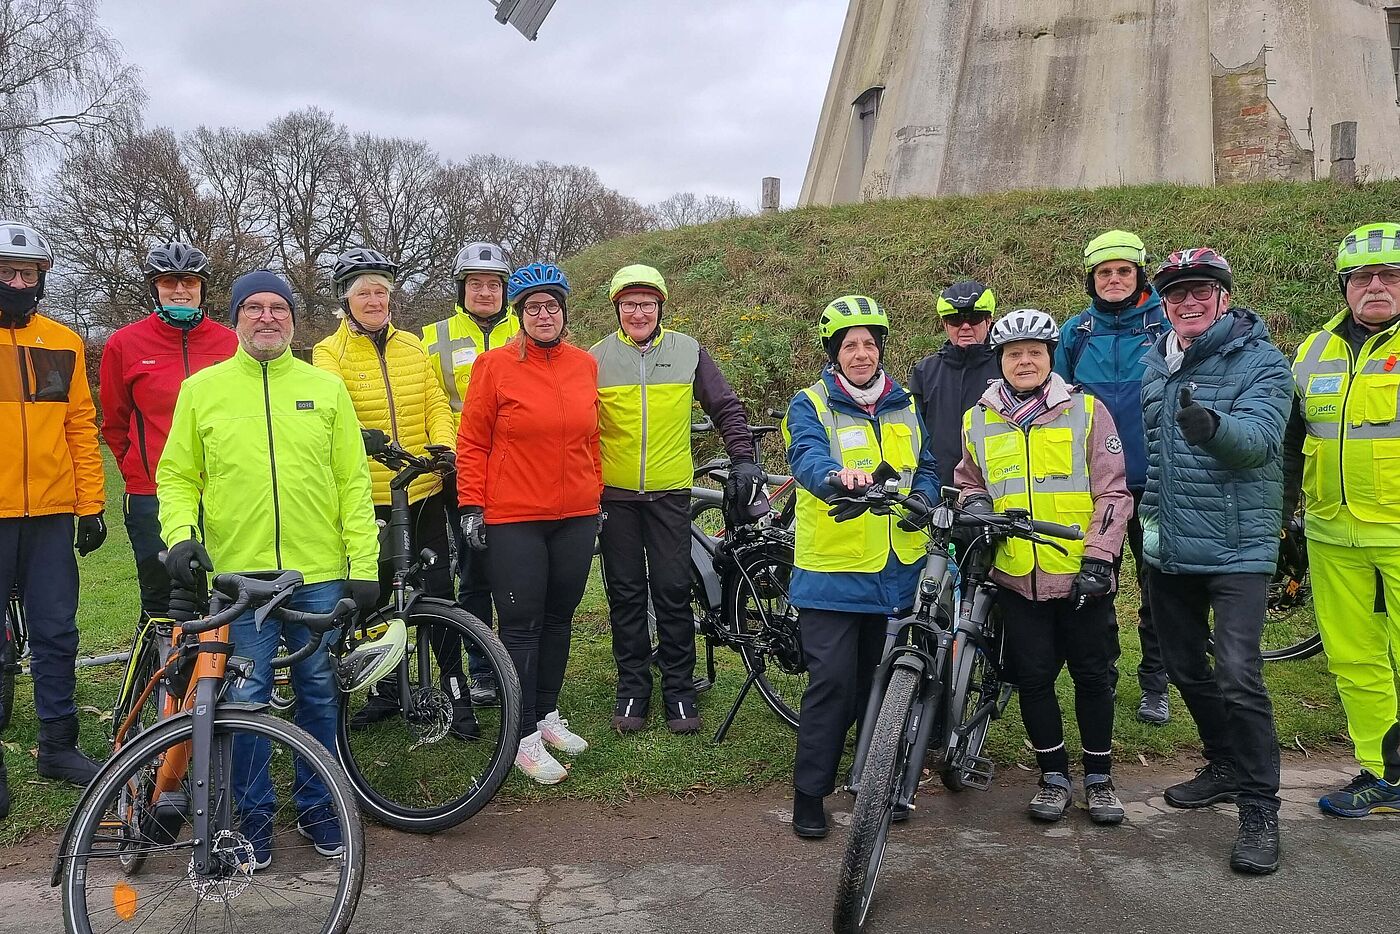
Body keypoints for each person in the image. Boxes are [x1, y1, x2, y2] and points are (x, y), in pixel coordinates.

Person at [157, 269, 379, 869]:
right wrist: (181, 538)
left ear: (292, 318)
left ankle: (321, 811)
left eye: (277, 308)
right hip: (240, 578)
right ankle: (250, 828)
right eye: (252, 308)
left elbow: (353, 483)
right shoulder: (202, 390)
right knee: (247, 700)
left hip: (319, 573)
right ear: (235, 318)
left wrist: (364, 563)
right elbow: (177, 477)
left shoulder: (325, 388)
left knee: (320, 694)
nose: (266, 317)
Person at [1139, 248, 1292, 875]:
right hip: (1170, 547)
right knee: (1182, 666)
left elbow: (1258, 444)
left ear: (1223, 297)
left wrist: (1214, 427)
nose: (1189, 302)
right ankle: (1224, 762)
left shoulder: (1263, 361)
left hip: (1238, 548)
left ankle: (1260, 806)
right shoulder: (1157, 361)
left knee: (1237, 671)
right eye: (1177, 295)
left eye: (1201, 290)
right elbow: (1151, 452)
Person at [956, 309, 1131, 824]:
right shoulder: (978, 419)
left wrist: (1100, 560)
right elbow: (971, 483)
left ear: (1050, 357)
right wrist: (975, 509)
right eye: (1015, 354)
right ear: (1001, 360)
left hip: (1081, 577)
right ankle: (1053, 776)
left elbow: (1115, 492)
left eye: (1035, 352)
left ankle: (1099, 780)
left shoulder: (1087, 411)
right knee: (1033, 679)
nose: (1025, 361)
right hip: (1015, 578)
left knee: (1093, 677)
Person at [783, 295, 938, 839]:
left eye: (869, 344)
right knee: (831, 682)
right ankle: (810, 792)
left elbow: (928, 462)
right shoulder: (811, 403)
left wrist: (924, 493)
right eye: (850, 345)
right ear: (834, 352)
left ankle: (873, 783)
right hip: (832, 572)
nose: (861, 353)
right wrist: (835, 477)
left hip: (896, 569)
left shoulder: (903, 402)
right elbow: (805, 457)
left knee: (879, 683)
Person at [591, 264, 760, 734]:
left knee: (670, 591)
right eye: (629, 305)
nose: (638, 312)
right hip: (617, 496)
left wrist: (742, 458)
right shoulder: (597, 358)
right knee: (625, 595)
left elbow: (724, 405)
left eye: (647, 303)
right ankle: (632, 690)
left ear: (660, 306)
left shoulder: (688, 351)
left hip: (669, 494)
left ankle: (680, 692)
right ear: (617, 310)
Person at [313, 248, 469, 733]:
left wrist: (444, 444)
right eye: (364, 293)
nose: (375, 300)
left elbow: (436, 403)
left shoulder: (413, 346)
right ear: (346, 300)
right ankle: (381, 687)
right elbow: (332, 415)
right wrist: (368, 441)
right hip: (369, 493)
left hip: (420, 487)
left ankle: (453, 688)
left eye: (381, 291)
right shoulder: (327, 353)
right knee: (374, 596)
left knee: (438, 589)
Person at [457, 262, 601, 785]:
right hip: (514, 514)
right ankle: (518, 736)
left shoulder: (584, 364)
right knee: (522, 624)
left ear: (564, 312)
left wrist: (595, 497)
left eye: (552, 306)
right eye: (533, 308)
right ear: (519, 315)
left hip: (577, 513)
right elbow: (472, 441)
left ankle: (546, 715)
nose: (543, 315)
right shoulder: (493, 366)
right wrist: (472, 505)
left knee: (560, 618)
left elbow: (591, 439)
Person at [1282, 223, 1400, 817]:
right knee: (1354, 657)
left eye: (1389, 276)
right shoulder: (1313, 351)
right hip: (1333, 531)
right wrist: (1282, 519)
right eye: (1362, 277)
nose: (1375, 286)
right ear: (1344, 286)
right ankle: (1385, 774)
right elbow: (1291, 437)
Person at [0, 220, 106, 809]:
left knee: (56, 632)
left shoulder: (62, 341)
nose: (18, 282)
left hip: (48, 515)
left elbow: (78, 426)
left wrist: (89, 504)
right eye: (7, 273)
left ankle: (58, 745)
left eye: (28, 274)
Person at [1055, 230, 1173, 725]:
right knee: (1097, 583)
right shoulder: (1076, 333)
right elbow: (1056, 402)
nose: (1115, 280)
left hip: (1153, 480)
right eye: (1105, 272)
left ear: (1139, 274)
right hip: (1096, 484)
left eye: (1124, 270)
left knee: (1157, 585)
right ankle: (1102, 672)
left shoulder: (1166, 324)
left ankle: (1155, 684)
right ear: (1091, 279)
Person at [99, 243, 236, 625]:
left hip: (224, 488)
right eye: (168, 281)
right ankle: (164, 676)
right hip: (153, 491)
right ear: (154, 288)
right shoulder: (124, 344)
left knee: (230, 589)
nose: (180, 289)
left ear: (202, 287)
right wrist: (139, 473)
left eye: (189, 281)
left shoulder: (229, 342)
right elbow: (115, 421)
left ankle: (227, 677)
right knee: (165, 595)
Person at [423, 242, 519, 705]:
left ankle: (518, 661)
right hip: (464, 472)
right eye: (476, 284)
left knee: (519, 571)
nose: (486, 292)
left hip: (521, 470)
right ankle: (482, 668)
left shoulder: (529, 326)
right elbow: (426, 399)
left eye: (494, 284)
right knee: (475, 572)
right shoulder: (431, 336)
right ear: (460, 289)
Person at [908, 280, 1000, 489]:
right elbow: (914, 436)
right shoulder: (925, 371)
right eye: (955, 320)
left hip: (993, 487)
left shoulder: (1006, 367)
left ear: (989, 320)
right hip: (938, 487)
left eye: (974, 318)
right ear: (944, 324)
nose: (965, 326)